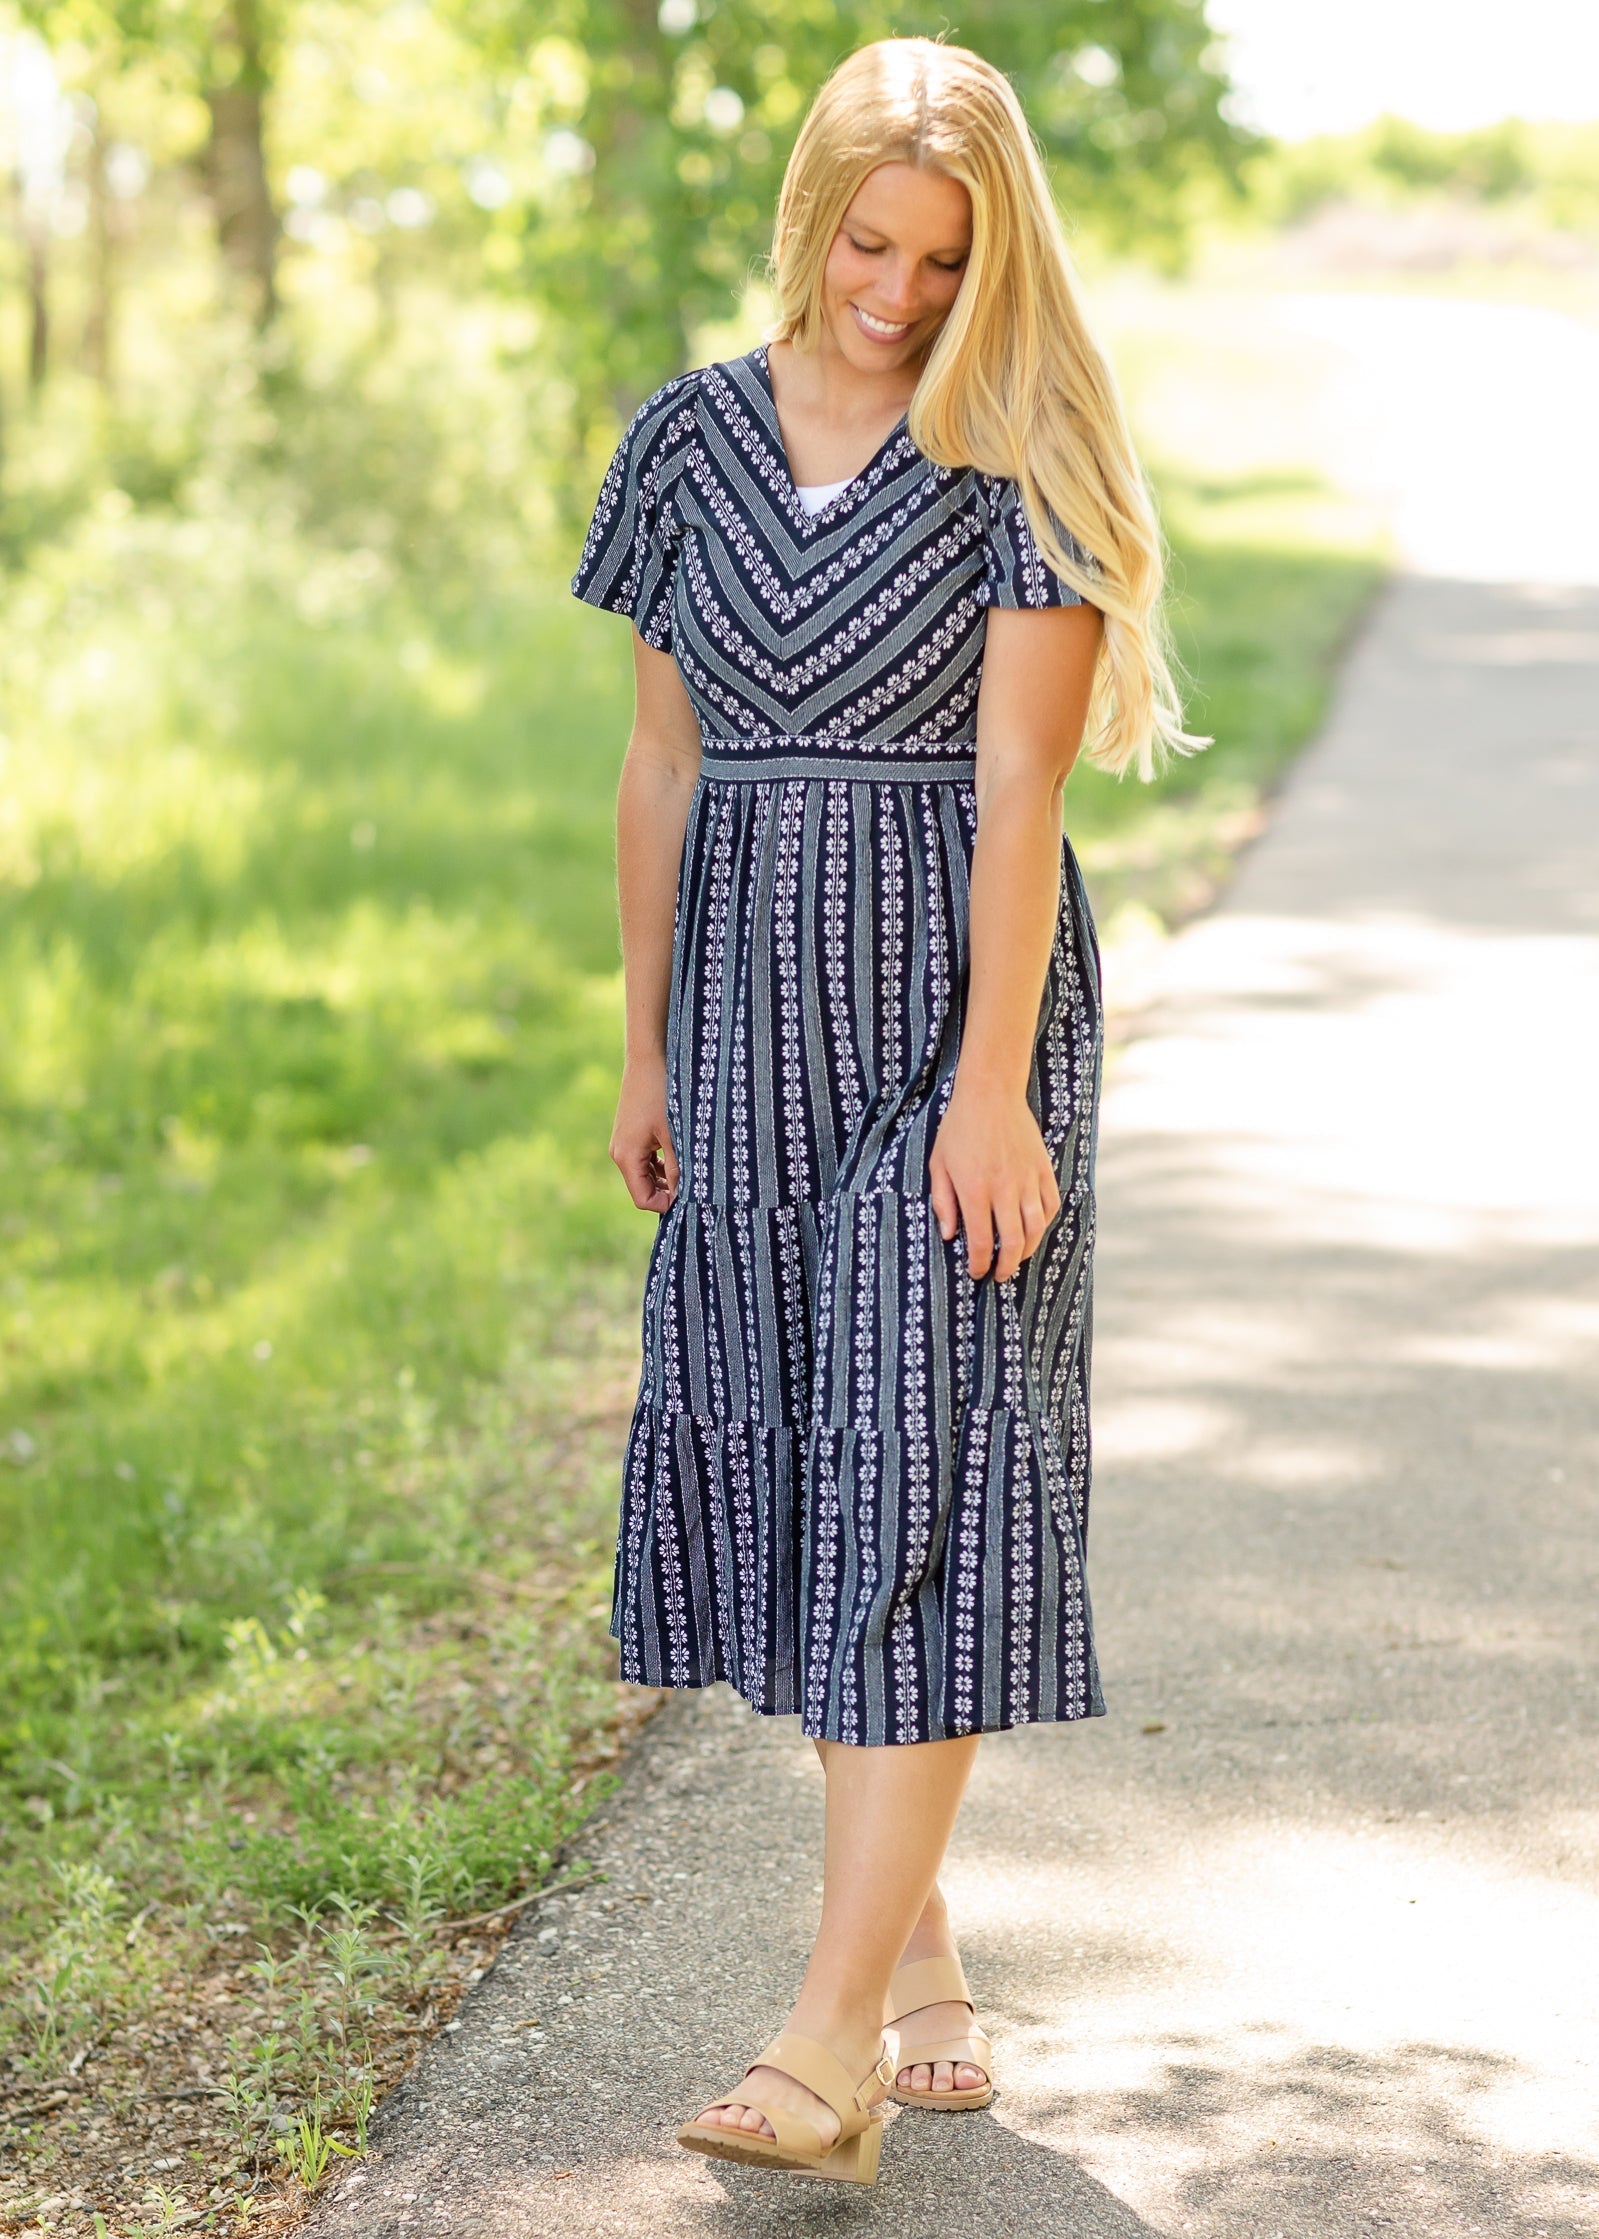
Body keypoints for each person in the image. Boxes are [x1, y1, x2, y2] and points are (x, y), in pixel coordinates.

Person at [571, 33, 1196, 2186]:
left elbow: (1019, 784)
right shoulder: (680, 445)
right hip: (740, 1010)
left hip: (948, 1006)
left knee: (917, 1443)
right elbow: (658, 767)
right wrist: (644, 1046)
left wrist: (996, 1086)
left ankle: (822, 2042)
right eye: (869, 242)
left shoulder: (1014, 452)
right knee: (808, 1468)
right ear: (809, 214)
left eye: (943, 257)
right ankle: (915, 1951)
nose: (898, 290)